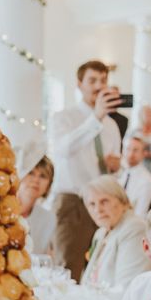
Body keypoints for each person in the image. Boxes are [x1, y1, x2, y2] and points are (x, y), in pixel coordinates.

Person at [50, 60, 122, 281]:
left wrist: (117, 166)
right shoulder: (64, 117)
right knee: (68, 269)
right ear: (79, 84)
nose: (99, 86)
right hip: (74, 202)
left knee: (100, 270)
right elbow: (64, 148)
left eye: (103, 80)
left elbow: (115, 168)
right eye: (92, 80)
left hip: (103, 202)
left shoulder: (112, 125)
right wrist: (96, 118)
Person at [81, 176, 151, 290]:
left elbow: (126, 287)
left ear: (123, 202)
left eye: (104, 201)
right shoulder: (101, 233)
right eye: (92, 204)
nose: (98, 209)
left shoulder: (134, 228)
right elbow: (88, 281)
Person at [17, 155, 56, 255]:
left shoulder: (49, 219)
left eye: (43, 176)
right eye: (31, 173)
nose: (36, 180)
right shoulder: (2, 209)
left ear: (48, 185)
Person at [118, 136, 151, 217]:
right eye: (128, 149)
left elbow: (140, 215)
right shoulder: (124, 173)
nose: (130, 154)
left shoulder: (146, 182)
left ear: (144, 154)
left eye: (135, 150)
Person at [129, 104, 151, 174]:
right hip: (137, 166)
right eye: (146, 114)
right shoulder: (134, 132)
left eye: (150, 114)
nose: (148, 116)